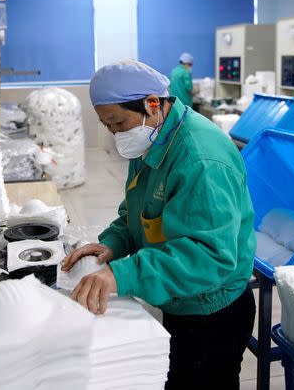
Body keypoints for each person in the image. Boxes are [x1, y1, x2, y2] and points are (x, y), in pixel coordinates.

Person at [62, 60, 256, 390]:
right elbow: (137, 211)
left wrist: (121, 274)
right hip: (180, 298)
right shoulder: (150, 138)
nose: (116, 134)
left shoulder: (201, 159)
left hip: (210, 310)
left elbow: (208, 257)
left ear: (153, 104)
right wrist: (113, 243)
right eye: (108, 126)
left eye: (119, 122)